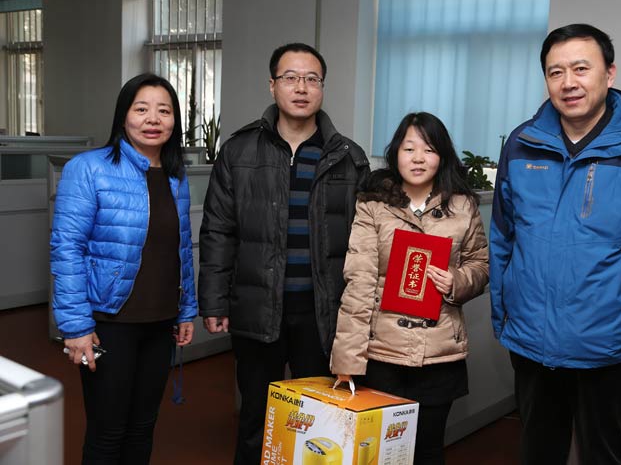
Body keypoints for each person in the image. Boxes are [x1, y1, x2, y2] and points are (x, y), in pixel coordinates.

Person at [490, 24, 621, 464]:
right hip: (531, 342)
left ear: (610, 73)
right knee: (538, 454)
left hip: (608, 346)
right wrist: (504, 313)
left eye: (581, 68)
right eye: (556, 72)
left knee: (605, 457)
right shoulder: (522, 144)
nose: (568, 82)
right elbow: (503, 236)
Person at [199, 42, 370, 465]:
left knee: (320, 422)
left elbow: (365, 242)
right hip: (257, 309)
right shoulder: (239, 151)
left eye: (312, 79)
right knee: (256, 418)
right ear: (272, 85)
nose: (301, 88)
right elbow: (219, 230)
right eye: (290, 78)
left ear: (323, 88)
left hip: (321, 312)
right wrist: (214, 300)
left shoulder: (348, 157)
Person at [51, 73, 197, 464]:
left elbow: (180, 247)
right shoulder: (89, 168)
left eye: (164, 111)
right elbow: (67, 249)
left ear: (174, 120)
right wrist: (75, 327)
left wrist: (186, 309)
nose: (153, 119)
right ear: (123, 116)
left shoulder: (175, 175)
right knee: (108, 431)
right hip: (109, 322)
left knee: (143, 428)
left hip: (160, 322)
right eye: (142, 109)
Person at [331, 112, 489, 465]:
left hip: (439, 353)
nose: (418, 158)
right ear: (395, 154)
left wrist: (457, 281)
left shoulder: (463, 205)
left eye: (429, 149)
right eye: (409, 148)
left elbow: (480, 265)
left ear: (442, 156)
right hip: (381, 354)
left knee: (428, 450)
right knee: (377, 453)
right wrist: (347, 359)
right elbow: (359, 282)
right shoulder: (373, 204)